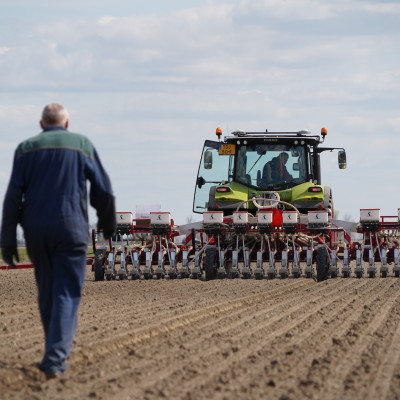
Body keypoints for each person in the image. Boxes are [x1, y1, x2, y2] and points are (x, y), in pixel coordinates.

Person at [1, 103, 116, 379]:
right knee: (66, 292)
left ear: (42, 125)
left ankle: (53, 349)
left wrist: (6, 240)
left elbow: (13, 196)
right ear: (66, 124)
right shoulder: (81, 144)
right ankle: (54, 359)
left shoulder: (25, 149)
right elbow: (104, 189)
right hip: (71, 230)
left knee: (47, 289)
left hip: (36, 233)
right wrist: (107, 224)